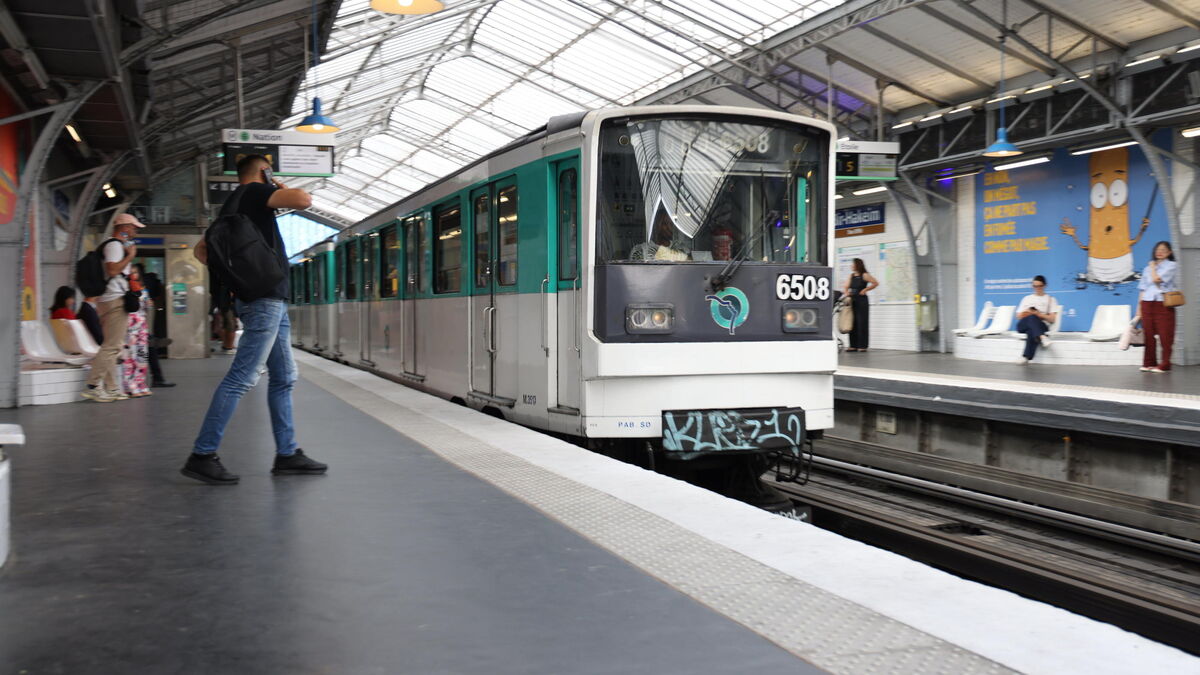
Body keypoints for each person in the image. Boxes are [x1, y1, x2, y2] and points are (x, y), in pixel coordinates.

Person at [182, 154, 326, 484]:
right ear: (264, 171)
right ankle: (202, 454)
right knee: (242, 378)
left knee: (284, 375)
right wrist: (279, 186)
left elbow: (201, 251)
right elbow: (303, 200)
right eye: (269, 168)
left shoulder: (231, 206)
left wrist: (237, 280)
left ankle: (287, 453)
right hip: (265, 300)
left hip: (263, 299)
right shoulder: (253, 193)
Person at [81, 213, 143, 402]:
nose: (134, 231)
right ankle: (93, 386)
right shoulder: (115, 245)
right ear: (123, 226)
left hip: (108, 299)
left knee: (110, 346)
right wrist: (130, 256)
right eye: (133, 227)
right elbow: (113, 270)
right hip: (115, 299)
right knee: (112, 346)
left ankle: (112, 388)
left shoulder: (112, 245)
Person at [1133, 241, 1179, 373]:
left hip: (1162, 303)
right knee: (1148, 334)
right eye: (1158, 249)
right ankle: (1149, 363)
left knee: (1166, 335)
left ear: (1169, 252)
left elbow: (1157, 280)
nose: (1160, 252)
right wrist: (1139, 308)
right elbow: (1142, 288)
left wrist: (1153, 267)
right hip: (1147, 303)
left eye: (1164, 250)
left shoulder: (1171, 265)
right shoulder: (1147, 269)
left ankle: (1165, 364)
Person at [120, 264, 152, 398]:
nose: (134, 275)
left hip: (142, 325)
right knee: (130, 357)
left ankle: (141, 383)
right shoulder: (124, 290)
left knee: (142, 356)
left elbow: (146, 308)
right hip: (130, 325)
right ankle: (130, 386)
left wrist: (148, 304)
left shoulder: (144, 290)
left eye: (136, 272)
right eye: (131, 273)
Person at [1015, 275, 1059, 364]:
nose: (1037, 288)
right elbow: (1018, 316)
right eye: (1035, 286)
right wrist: (1027, 312)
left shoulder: (1051, 299)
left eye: (1040, 286)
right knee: (1031, 318)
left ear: (1045, 285)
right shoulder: (1026, 298)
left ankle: (1026, 357)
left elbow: (1052, 319)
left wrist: (1039, 314)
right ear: (1032, 286)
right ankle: (1042, 337)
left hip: (1041, 325)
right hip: (1023, 324)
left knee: (1031, 330)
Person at [141, 271, 175, 388]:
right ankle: (156, 378)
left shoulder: (141, 291)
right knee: (149, 348)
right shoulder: (138, 290)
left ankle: (156, 378)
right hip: (136, 329)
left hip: (139, 329)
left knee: (149, 349)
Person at [842, 258, 878, 352]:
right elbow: (846, 286)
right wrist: (846, 292)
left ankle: (862, 346)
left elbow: (875, 283)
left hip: (862, 301)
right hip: (852, 300)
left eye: (853, 264)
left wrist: (865, 290)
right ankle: (853, 345)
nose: (851, 266)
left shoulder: (865, 275)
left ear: (857, 265)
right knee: (852, 322)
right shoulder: (851, 276)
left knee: (862, 323)